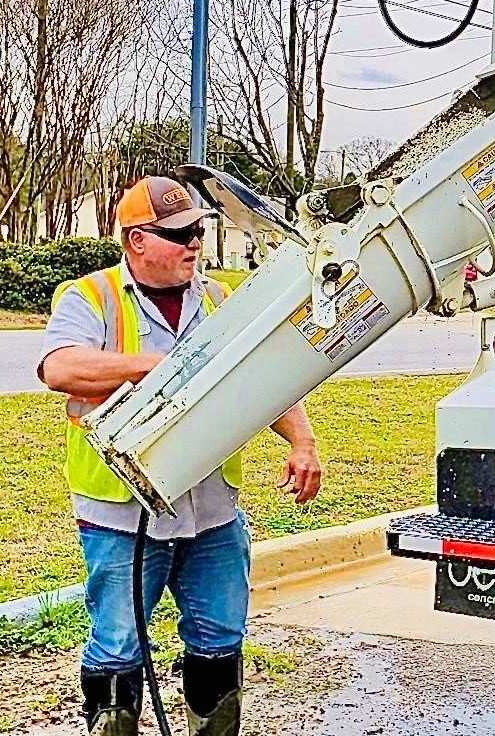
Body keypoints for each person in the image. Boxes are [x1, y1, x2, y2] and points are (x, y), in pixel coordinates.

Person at [40, 176, 323, 736]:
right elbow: (60, 368)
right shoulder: (90, 297)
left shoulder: (219, 300)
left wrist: (301, 440)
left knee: (220, 638)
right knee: (119, 646)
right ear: (136, 240)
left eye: (197, 230)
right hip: (121, 514)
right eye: (178, 235)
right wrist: (154, 366)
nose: (194, 243)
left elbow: (264, 376)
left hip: (213, 513)